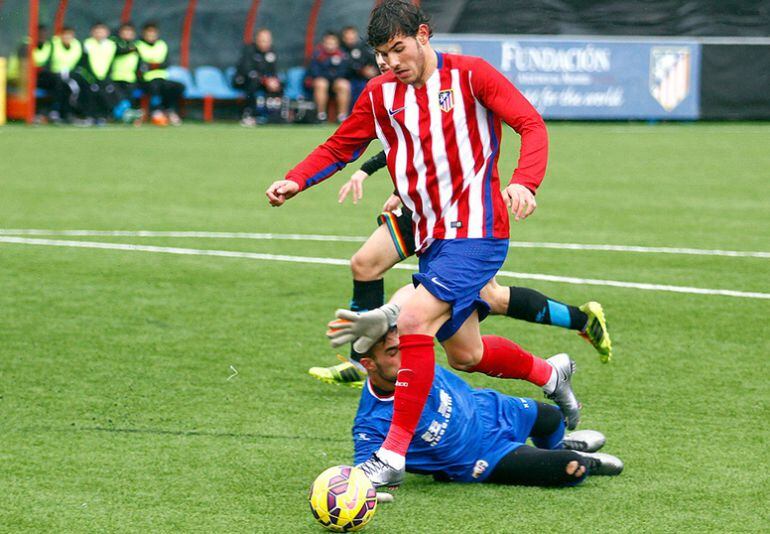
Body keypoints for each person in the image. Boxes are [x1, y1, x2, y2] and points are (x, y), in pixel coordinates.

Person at [266, 0, 550, 487]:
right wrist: (297, 180)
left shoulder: (472, 75)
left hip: (475, 230)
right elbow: (341, 146)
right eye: (382, 54)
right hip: (422, 223)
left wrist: (526, 180)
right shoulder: (381, 94)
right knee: (461, 350)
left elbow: (531, 124)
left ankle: (391, 457)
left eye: (398, 49)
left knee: (416, 320)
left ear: (423, 35)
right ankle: (550, 376)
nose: (392, 63)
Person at [353, 326, 623, 487]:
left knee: (553, 417)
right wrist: (360, 493)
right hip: (481, 457)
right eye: (391, 352)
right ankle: (583, 460)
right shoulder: (370, 422)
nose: (405, 355)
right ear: (369, 365)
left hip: (492, 409)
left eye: (402, 347)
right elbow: (365, 473)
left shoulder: (414, 355)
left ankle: (559, 444)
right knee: (571, 467)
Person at [136, 22, 184, 126]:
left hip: (161, 77)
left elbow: (166, 63)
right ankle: (156, 111)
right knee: (155, 86)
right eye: (149, 33)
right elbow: (141, 66)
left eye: (153, 33)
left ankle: (169, 110)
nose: (151, 36)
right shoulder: (138, 45)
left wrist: (152, 65)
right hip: (145, 80)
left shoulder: (162, 45)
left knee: (178, 87)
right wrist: (155, 65)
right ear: (144, 34)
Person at [234, 28, 283, 127]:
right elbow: (247, 71)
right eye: (263, 40)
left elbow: (273, 71)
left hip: (262, 82)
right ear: (257, 40)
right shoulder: (249, 50)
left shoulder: (271, 53)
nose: (265, 43)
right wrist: (265, 80)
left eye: (267, 41)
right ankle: (248, 114)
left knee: (279, 85)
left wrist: (273, 81)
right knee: (253, 82)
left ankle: (275, 115)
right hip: (244, 81)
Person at [307, 31, 352, 123]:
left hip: (336, 83)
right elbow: (315, 72)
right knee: (321, 83)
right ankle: (321, 116)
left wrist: (333, 75)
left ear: (337, 44)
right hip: (322, 81)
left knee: (344, 85)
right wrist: (330, 74)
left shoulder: (342, 55)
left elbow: (345, 72)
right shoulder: (317, 55)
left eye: (332, 43)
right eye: (328, 43)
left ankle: (342, 117)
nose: (330, 46)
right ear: (323, 43)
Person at [44, 26, 83, 123]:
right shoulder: (53, 44)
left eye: (69, 35)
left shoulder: (77, 45)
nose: (67, 38)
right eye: (65, 35)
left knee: (73, 85)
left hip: (69, 76)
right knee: (60, 85)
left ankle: (69, 113)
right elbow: (44, 61)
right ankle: (55, 112)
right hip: (52, 76)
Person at [110, 22, 143, 124]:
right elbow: (118, 51)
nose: (127, 34)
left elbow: (140, 63)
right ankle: (117, 116)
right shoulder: (115, 43)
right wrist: (130, 49)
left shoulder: (136, 46)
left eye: (130, 32)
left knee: (129, 99)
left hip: (130, 78)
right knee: (120, 99)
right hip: (116, 77)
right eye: (125, 31)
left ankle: (127, 117)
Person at [340, 26, 378, 103]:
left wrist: (373, 70)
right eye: (348, 37)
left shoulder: (363, 48)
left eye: (352, 36)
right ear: (343, 38)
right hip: (351, 79)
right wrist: (361, 71)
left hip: (365, 79)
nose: (350, 39)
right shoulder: (340, 51)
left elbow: (370, 62)